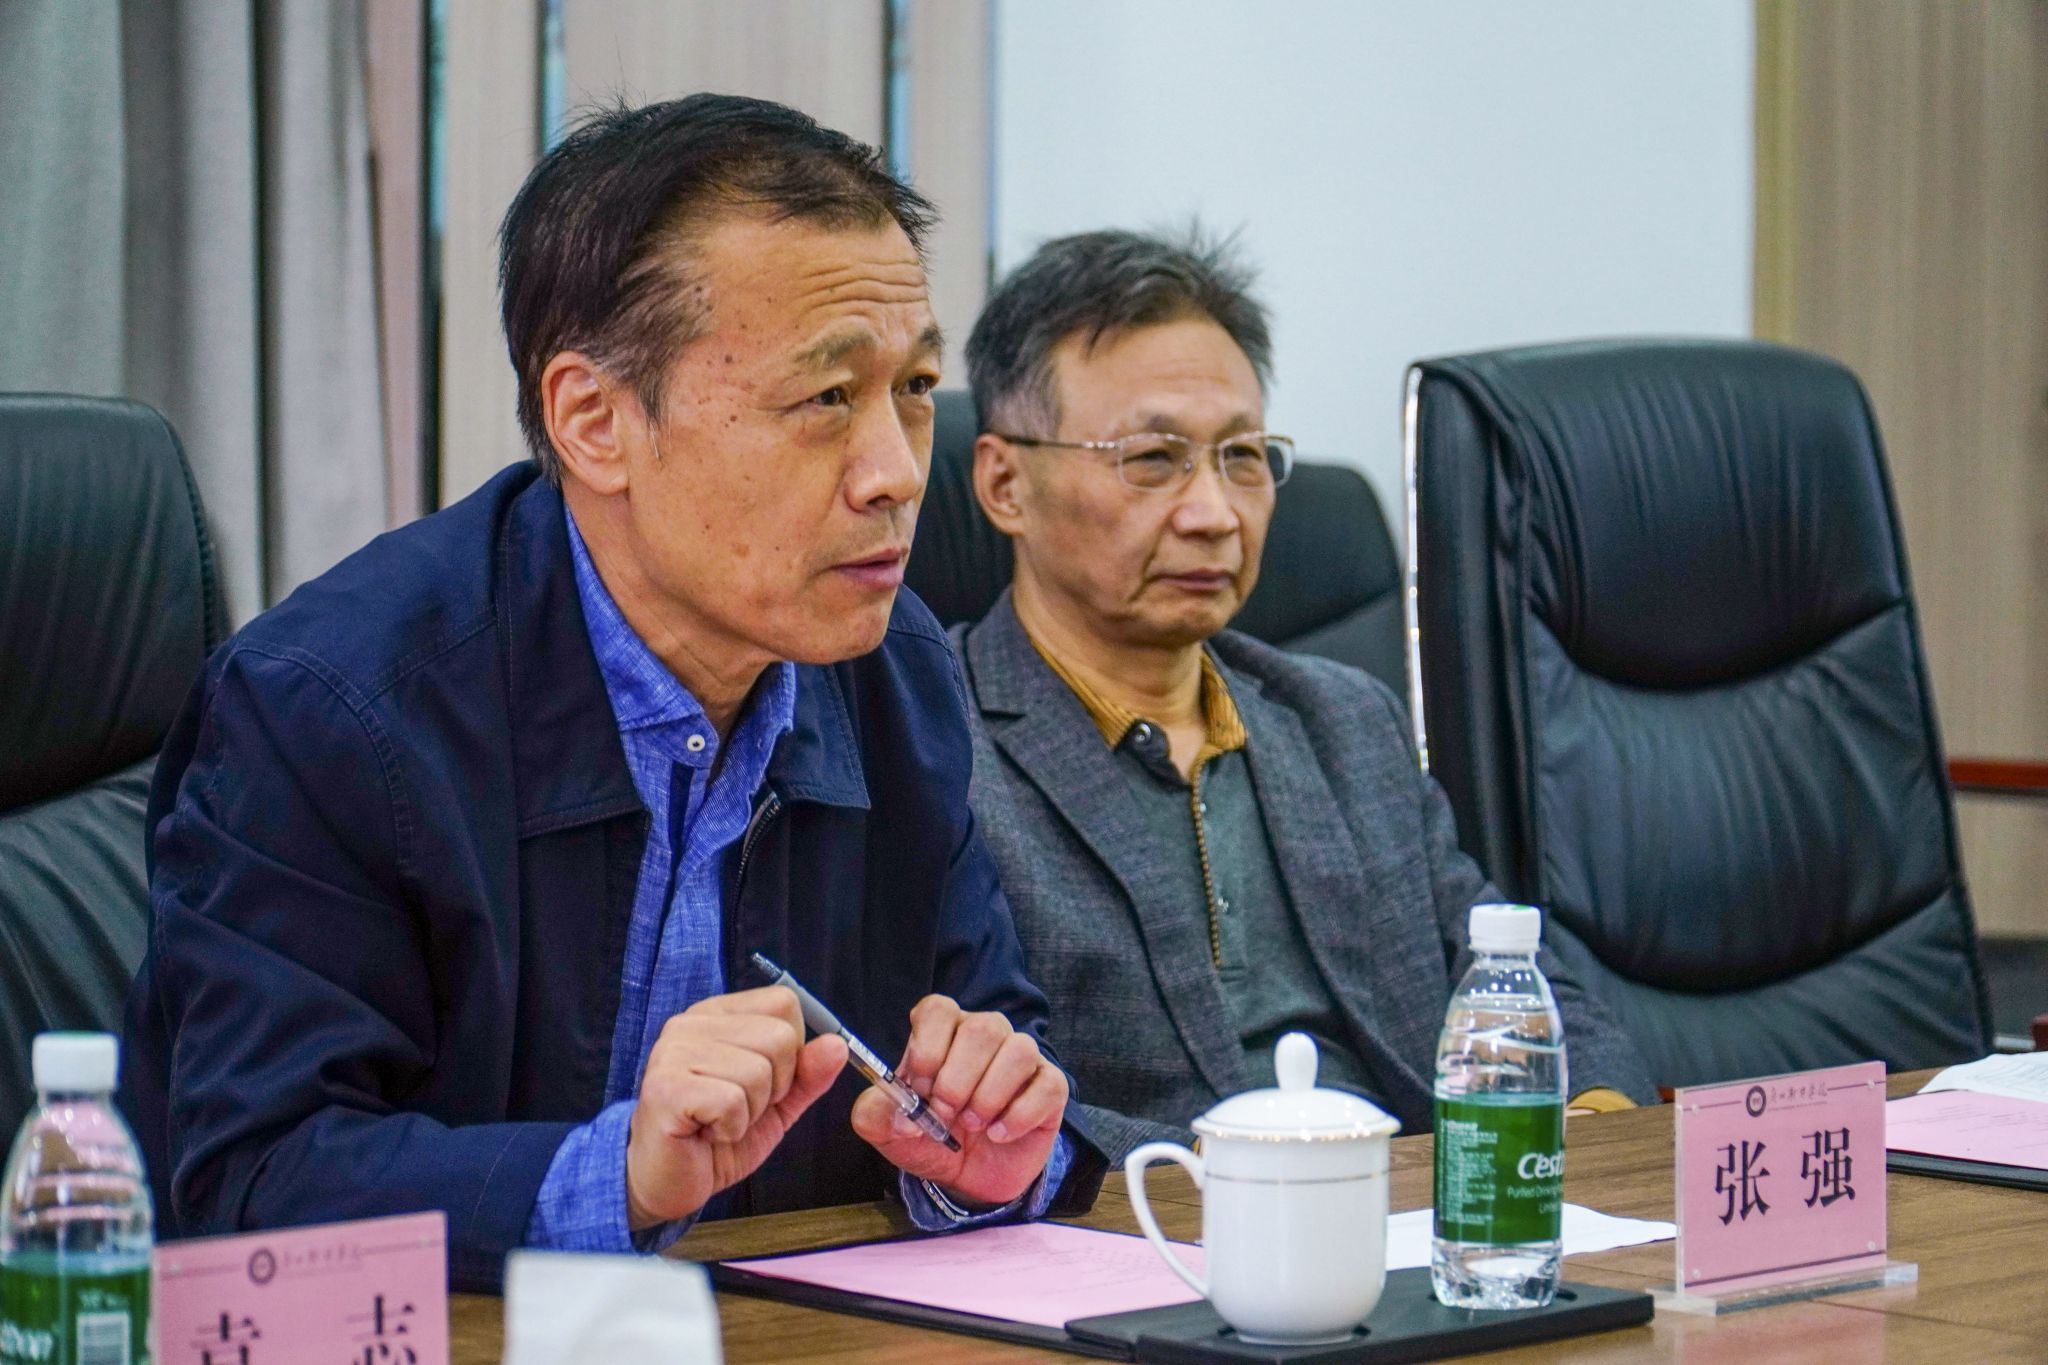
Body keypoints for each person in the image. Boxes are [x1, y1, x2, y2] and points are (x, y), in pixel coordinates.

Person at [123, 95, 1101, 1290]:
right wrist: (616, 1177)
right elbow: (251, 1181)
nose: (896, 472)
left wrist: (987, 1156)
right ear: (593, 422)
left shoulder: (890, 672)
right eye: (825, 400)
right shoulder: (331, 708)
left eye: (912, 387)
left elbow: (981, 1045)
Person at [952, 228, 1655, 1160]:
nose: (1214, 513)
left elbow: (1514, 981)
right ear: (1005, 483)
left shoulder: (1342, 720)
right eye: (1153, 458)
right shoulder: (939, 744)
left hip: (1416, 1212)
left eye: (1243, 456)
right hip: (1146, 1223)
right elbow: (971, 1102)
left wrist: (1590, 1127)